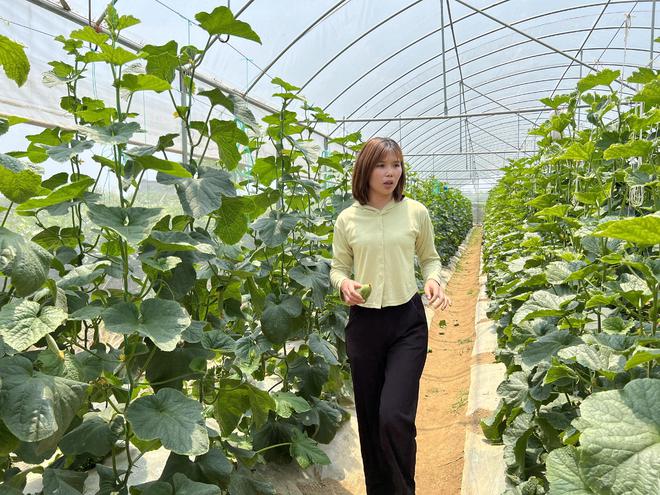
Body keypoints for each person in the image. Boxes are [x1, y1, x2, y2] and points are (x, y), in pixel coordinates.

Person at [329, 136, 451, 495]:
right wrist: (344, 285)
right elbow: (338, 268)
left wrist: (433, 281)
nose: (390, 173)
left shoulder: (415, 212)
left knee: (394, 417)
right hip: (365, 326)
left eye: (396, 165)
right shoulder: (347, 219)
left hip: (406, 324)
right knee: (369, 421)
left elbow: (430, 258)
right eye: (382, 165)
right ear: (365, 170)